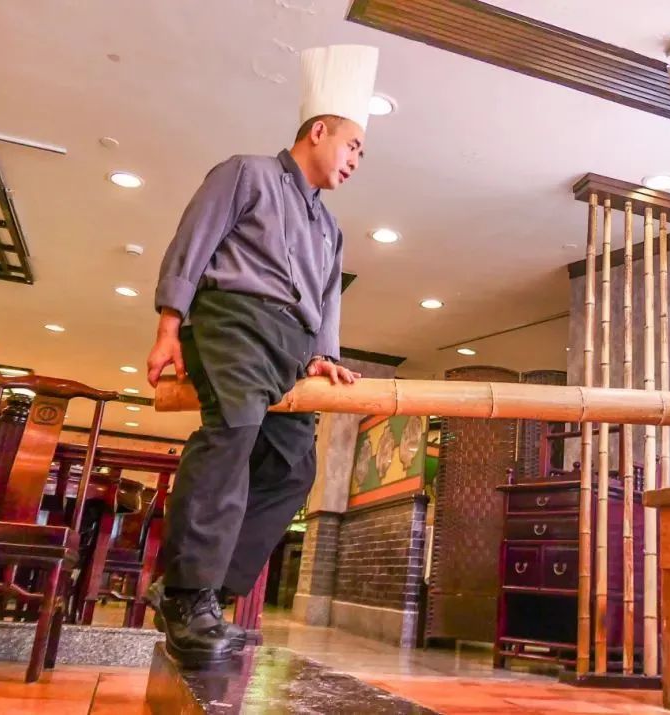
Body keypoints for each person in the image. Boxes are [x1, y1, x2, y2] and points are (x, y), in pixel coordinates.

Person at [144, 44, 378, 667]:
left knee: (293, 469)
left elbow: (327, 302)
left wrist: (324, 355)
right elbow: (193, 242)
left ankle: (200, 594)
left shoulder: (331, 229)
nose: (356, 161)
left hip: (291, 348)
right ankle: (189, 594)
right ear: (318, 131)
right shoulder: (245, 172)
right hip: (232, 321)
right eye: (353, 146)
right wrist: (169, 327)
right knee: (233, 435)